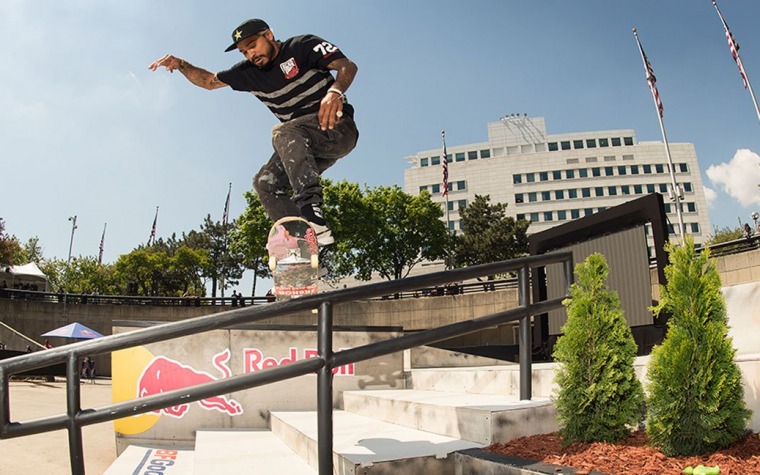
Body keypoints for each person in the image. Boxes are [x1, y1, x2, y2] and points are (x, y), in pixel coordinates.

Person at [149, 18, 359, 245]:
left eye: (253, 45)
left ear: (268, 35)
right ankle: (302, 247)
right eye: (244, 52)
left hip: (337, 130)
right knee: (266, 183)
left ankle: (311, 212)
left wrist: (335, 92)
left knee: (283, 131)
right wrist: (180, 64)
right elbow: (208, 81)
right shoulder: (247, 73)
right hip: (303, 147)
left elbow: (347, 65)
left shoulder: (301, 46)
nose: (250, 54)